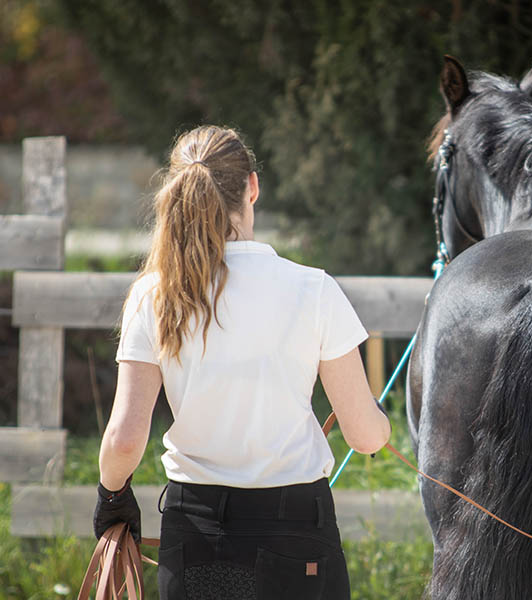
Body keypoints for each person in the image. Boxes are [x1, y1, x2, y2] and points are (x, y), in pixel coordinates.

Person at [92, 125, 391, 599]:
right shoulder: (313, 289)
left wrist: (112, 497)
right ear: (252, 186)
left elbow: (125, 439)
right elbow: (366, 437)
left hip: (197, 531)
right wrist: (378, 417)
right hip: (296, 532)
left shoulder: (154, 295)